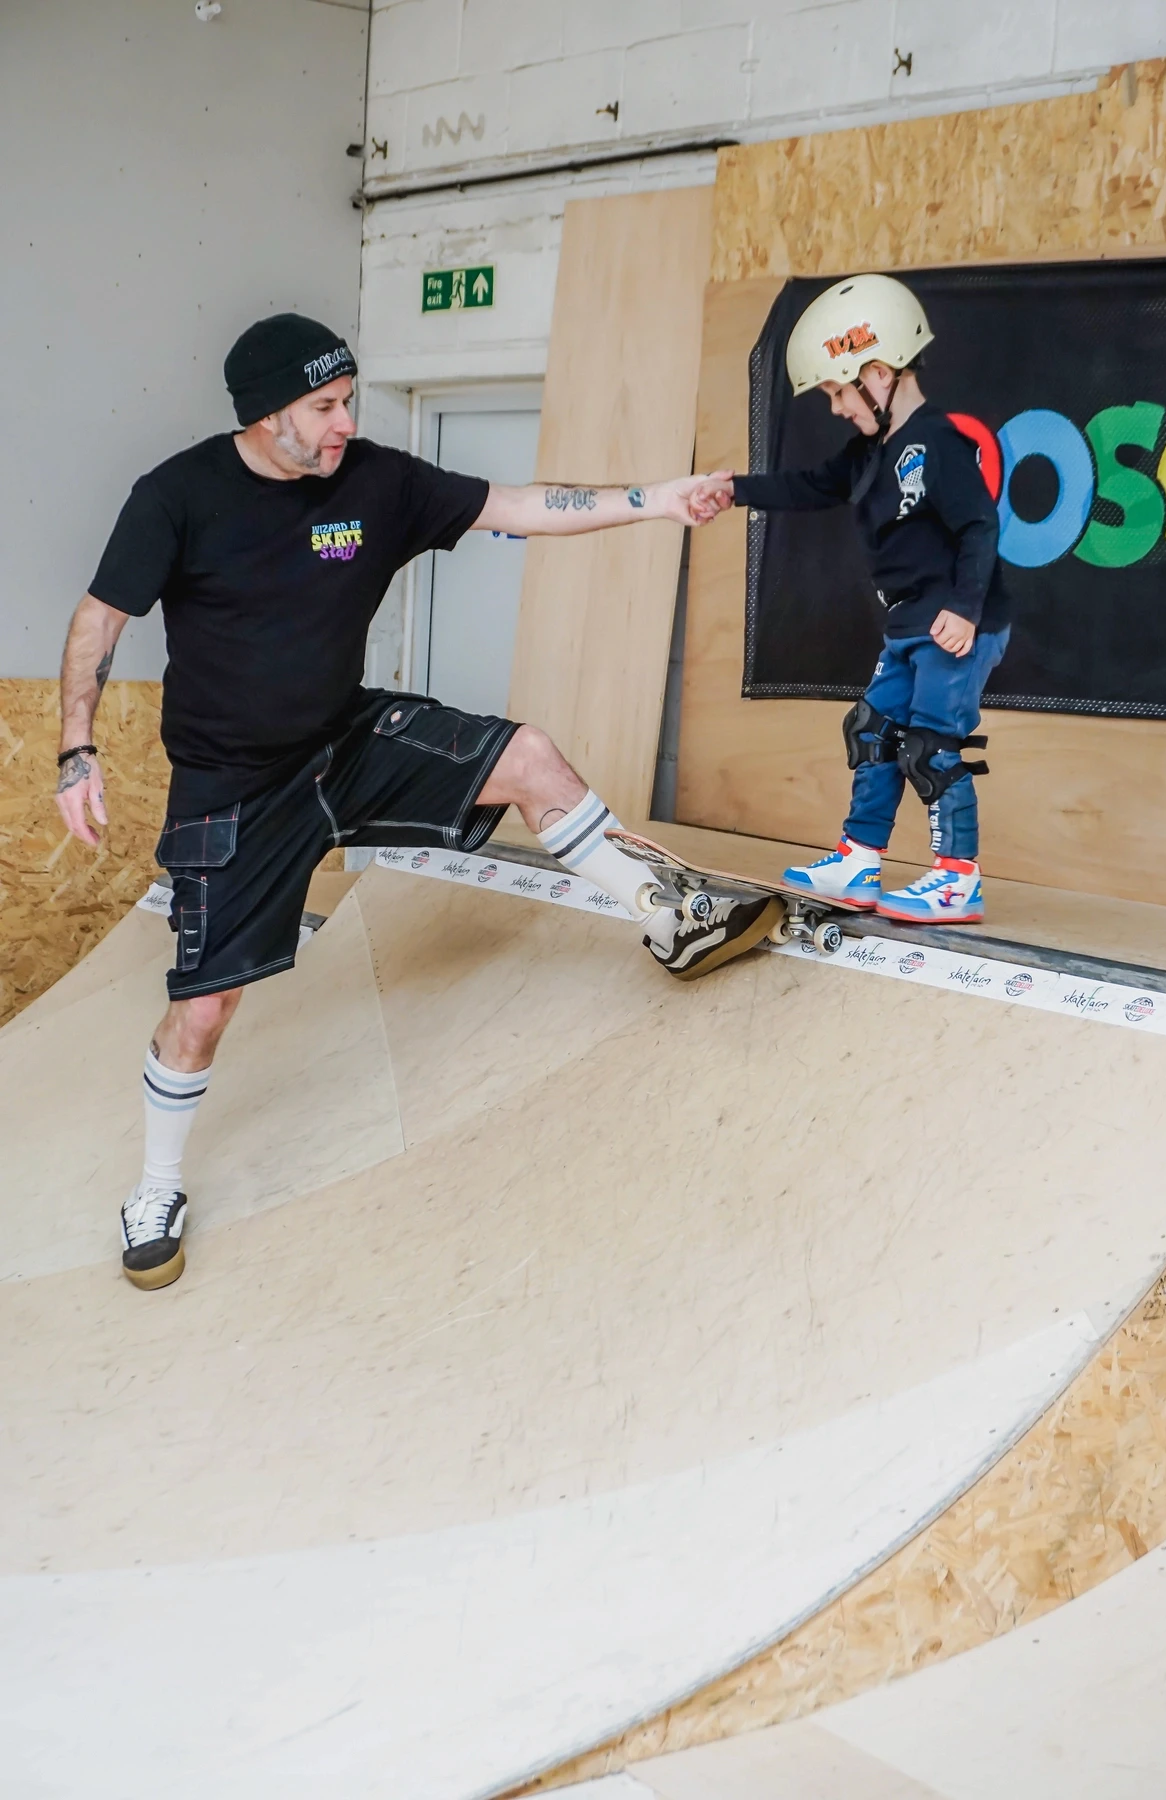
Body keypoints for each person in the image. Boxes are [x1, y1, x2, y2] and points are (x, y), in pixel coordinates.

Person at [56, 313, 783, 1291]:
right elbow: (99, 622)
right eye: (323, 407)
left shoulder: (379, 484)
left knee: (529, 759)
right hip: (231, 784)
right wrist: (74, 750)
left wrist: (660, 500)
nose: (344, 421)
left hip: (347, 741)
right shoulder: (178, 497)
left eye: (349, 400)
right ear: (267, 415)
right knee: (205, 1008)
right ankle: (156, 1187)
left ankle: (671, 918)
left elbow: (525, 507)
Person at [696, 273, 1010, 924]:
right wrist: (734, 489)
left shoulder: (940, 442)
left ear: (879, 370)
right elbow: (810, 485)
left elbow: (980, 526)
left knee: (930, 743)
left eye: (840, 390)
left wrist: (966, 610)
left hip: (956, 619)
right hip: (908, 623)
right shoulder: (871, 451)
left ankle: (958, 879)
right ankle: (859, 859)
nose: (836, 406)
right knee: (873, 731)